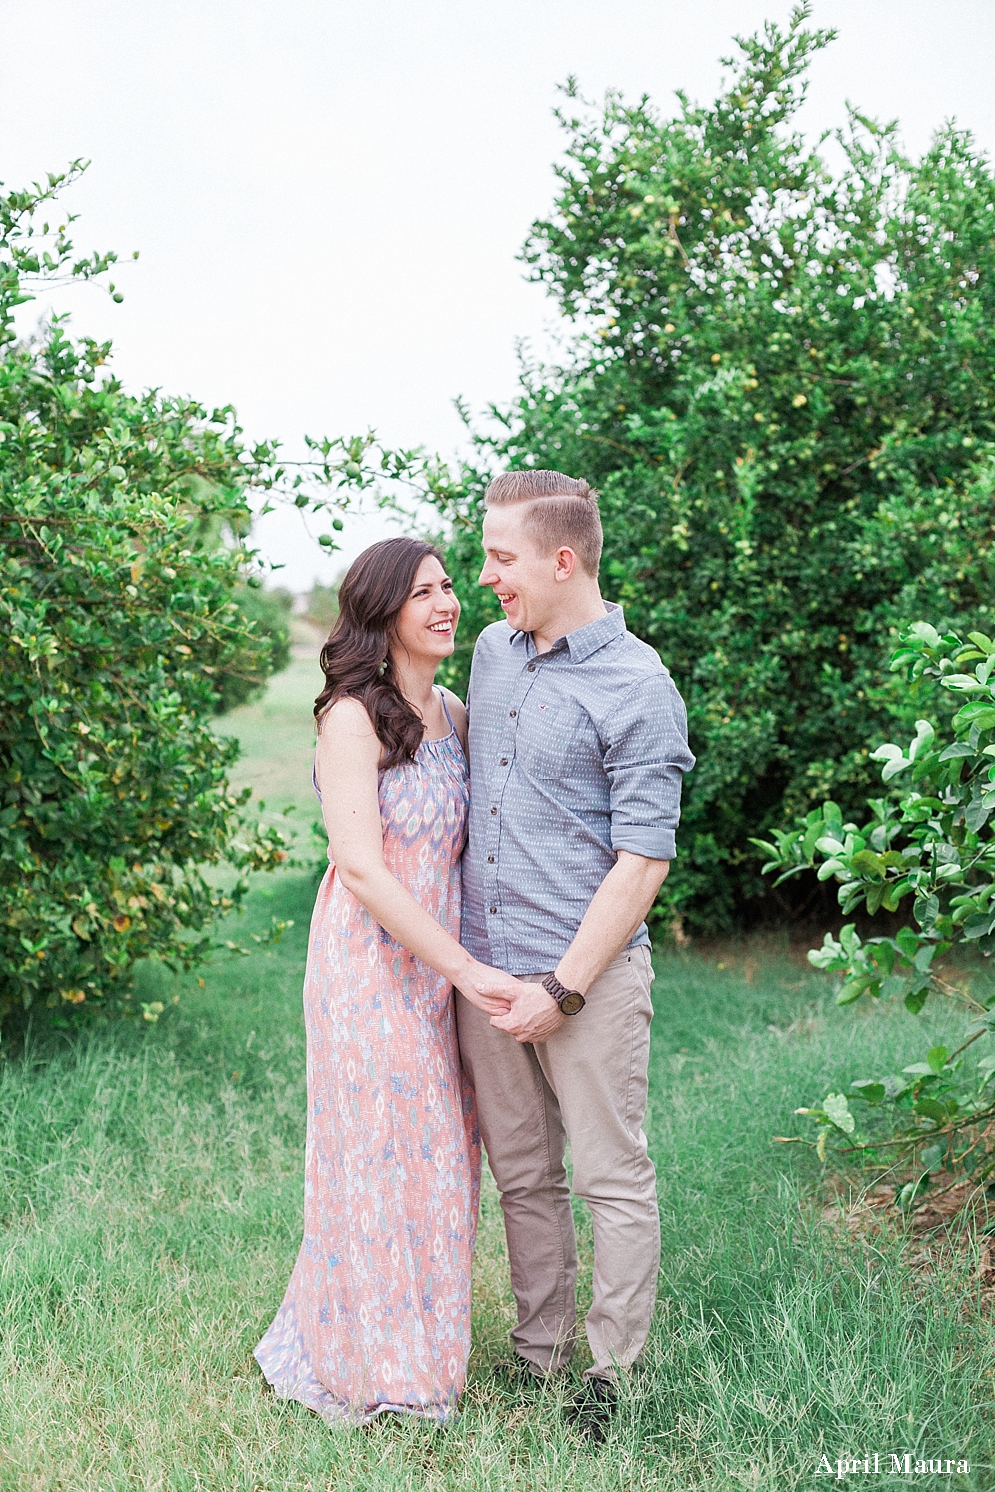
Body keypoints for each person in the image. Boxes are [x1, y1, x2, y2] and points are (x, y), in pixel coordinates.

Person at [254, 537, 524, 1426]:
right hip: (369, 973)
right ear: (382, 614)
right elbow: (361, 871)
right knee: (377, 1163)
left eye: (450, 586)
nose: (447, 602)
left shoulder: (450, 707)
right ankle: (382, 1368)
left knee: (444, 1162)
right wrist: (465, 969)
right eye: (424, 593)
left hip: (444, 970)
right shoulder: (349, 717)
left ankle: (416, 1339)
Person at [456, 469, 695, 1437]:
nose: (485, 576)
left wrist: (563, 984)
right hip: (487, 974)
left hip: (583, 983)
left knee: (608, 1176)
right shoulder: (487, 653)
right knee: (521, 1177)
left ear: (563, 560)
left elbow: (642, 860)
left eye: (500, 557)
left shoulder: (638, 685)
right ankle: (540, 1353)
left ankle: (609, 1374)